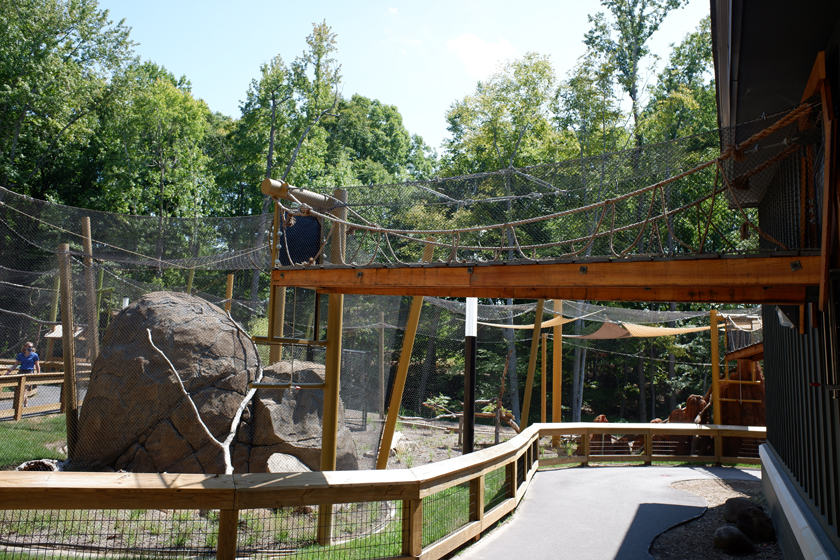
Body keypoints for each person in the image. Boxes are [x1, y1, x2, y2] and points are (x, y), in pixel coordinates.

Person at [5, 342, 40, 406]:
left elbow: (37, 366)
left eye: (32, 347)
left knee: (23, 389)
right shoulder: (20, 355)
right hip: (21, 372)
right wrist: (9, 371)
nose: (30, 348)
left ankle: (19, 405)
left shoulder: (34, 355)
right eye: (29, 347)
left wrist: (38, 375)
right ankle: (25, 405)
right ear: (25, 347)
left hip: (29, 373)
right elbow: (15, 365)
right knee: (21, 390)